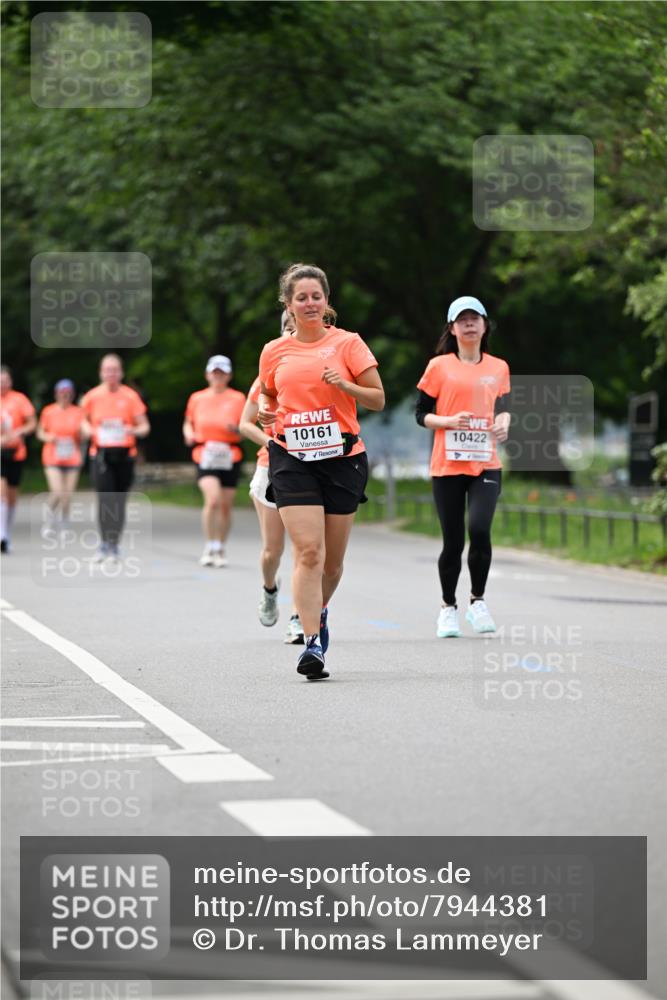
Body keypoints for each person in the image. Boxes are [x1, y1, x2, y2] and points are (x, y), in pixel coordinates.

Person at [259, 263, 385, 680]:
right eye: (301, 297)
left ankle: (318, 609)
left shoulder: (348, 344)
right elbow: (270, 400)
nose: (309, 303)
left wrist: (345, 386)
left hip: (342, 458)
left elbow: (378, 399)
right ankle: (311, 643)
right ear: (288, 305)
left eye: (316, 296)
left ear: (326, 301)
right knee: (309, 552)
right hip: (291, 457)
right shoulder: (274, 351)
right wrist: (265, 414)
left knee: (331, 564)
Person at [415, 296, 510, 637]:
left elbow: (504, 405)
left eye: (475, 318)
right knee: (453, 541)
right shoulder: (438, 366)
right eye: (462, 319)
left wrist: (504, 422)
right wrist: (448, 421)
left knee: (481, 529)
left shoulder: (498, 367)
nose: (469, 324)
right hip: (448, 464)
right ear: (452, 328)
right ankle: (447, 608)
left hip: (486, 462)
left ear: (484, 325)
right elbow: (420, 414)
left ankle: (478, 601)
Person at [239, 312, 304, 643]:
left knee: (306, 549)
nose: (293, 329)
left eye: (297, 324)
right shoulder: (269, 373)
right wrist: (274, 443)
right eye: (286, 325)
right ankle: (269, 588)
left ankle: (298, 616)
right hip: (272, 465)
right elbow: (245, 423)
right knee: (273, 551)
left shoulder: (320, 369)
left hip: (310, 464)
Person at [80, 354, 150, 564]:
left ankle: (115, 543)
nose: (111, 374)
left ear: (121, 372)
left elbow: (145, 427)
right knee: (105, 499)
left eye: (115, 369)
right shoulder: (92, 396)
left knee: (119, 501)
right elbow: (82, 423)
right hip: (100, 455)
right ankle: (104, 543)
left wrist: (132, 429)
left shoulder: (130, 396)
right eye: (107, 370)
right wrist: (91, 431)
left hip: (125, 455)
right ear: (101, 373)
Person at [183, 355, 246, 568]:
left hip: (230, 454)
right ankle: (209, 545)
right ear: (208, 374)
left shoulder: (238, 398)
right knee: (213, 500)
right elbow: (188, 423)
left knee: (226, 506)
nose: (218, 376)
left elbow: (247, 428)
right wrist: (189, 433)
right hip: (205, 453)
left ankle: (220, 546)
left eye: (222, 373)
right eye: (214, 372)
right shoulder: (197, 398)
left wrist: (236, 430)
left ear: (229, 375)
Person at [36, 378, 85, 537]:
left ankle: (65, 522)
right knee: (57, 491)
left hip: (72, 456)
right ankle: (50, 520)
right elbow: (40, 433)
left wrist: (81, 433)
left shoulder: (78, 412)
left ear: (72, 394)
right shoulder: (48, 411)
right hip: (53, 457)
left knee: (67, 494)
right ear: (56, 394)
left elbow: (84, 434)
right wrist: (50, 437)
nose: (65, 396)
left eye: (68, 393)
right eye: (62, 393)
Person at [0, 366, 37, 553]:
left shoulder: (19, 399)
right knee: (2, 492)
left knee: (12, 496)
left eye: (5, 380)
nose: (2, 384)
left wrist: (21, 431)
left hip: (15, 453)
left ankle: (7, 531)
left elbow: (32, 422)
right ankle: (2, 535)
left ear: (10, 381)